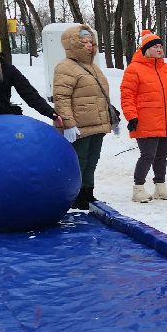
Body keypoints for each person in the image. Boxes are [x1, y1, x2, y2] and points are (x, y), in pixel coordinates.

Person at [120, 30, 167, 203]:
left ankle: (160, 187)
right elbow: (127, 95)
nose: (159, 49)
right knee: (147, 155)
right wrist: (131, 116)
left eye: (160, 46)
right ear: (146, 49)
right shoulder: (134, 69)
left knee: (161, 156)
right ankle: (138, 188)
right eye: (155, 46)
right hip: (145, 120)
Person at [52, 24, 115, 209]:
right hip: (79, 125)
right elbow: (61, 98)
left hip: (97, 123)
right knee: (79, 160)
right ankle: (75, 194)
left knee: (93, 159)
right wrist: (69, 124)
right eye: (83, 42)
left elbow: (99, 94)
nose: (88, 45)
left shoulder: (93, 67)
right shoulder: (65, 67)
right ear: (73, 44)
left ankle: (88, 192)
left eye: (90, 42)